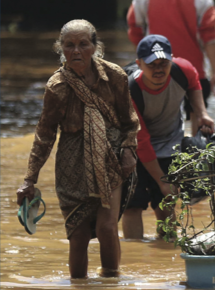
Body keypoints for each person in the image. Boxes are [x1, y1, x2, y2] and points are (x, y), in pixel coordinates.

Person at [16, 20, 140, 278]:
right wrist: (29, 179)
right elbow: (45, 134)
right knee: (78, 235)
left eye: (83, 44)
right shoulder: (57, 86)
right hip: (72, 164)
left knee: (107, 228)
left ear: (95, 47)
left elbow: (130, 122)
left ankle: (111, 281)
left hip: (110, 158)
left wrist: (129, 150)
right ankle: (79, 285)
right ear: (61, 48)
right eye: (69, 45)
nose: (76, 51)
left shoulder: (115, 76)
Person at [122, 34, 215, 239]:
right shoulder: (129, 90)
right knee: (133, 206)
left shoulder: (183, 69)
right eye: (151, 64)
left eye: (163, 63)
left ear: (172, 60)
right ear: (139, 64)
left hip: (168, 142)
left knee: (166, 202)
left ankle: (166, 251)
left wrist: (201, 113)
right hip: (131, 146)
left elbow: (194, 83)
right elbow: (142, 141)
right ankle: (134, 256)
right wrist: (162, 180)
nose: (158, 69)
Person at [127, 0, 215, 134]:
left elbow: (134, 27)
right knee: (199, 118)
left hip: (154, 68)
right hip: (193, 69)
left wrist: (145, 58)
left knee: (154, 119)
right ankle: (195, 159)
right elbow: (209, 37)